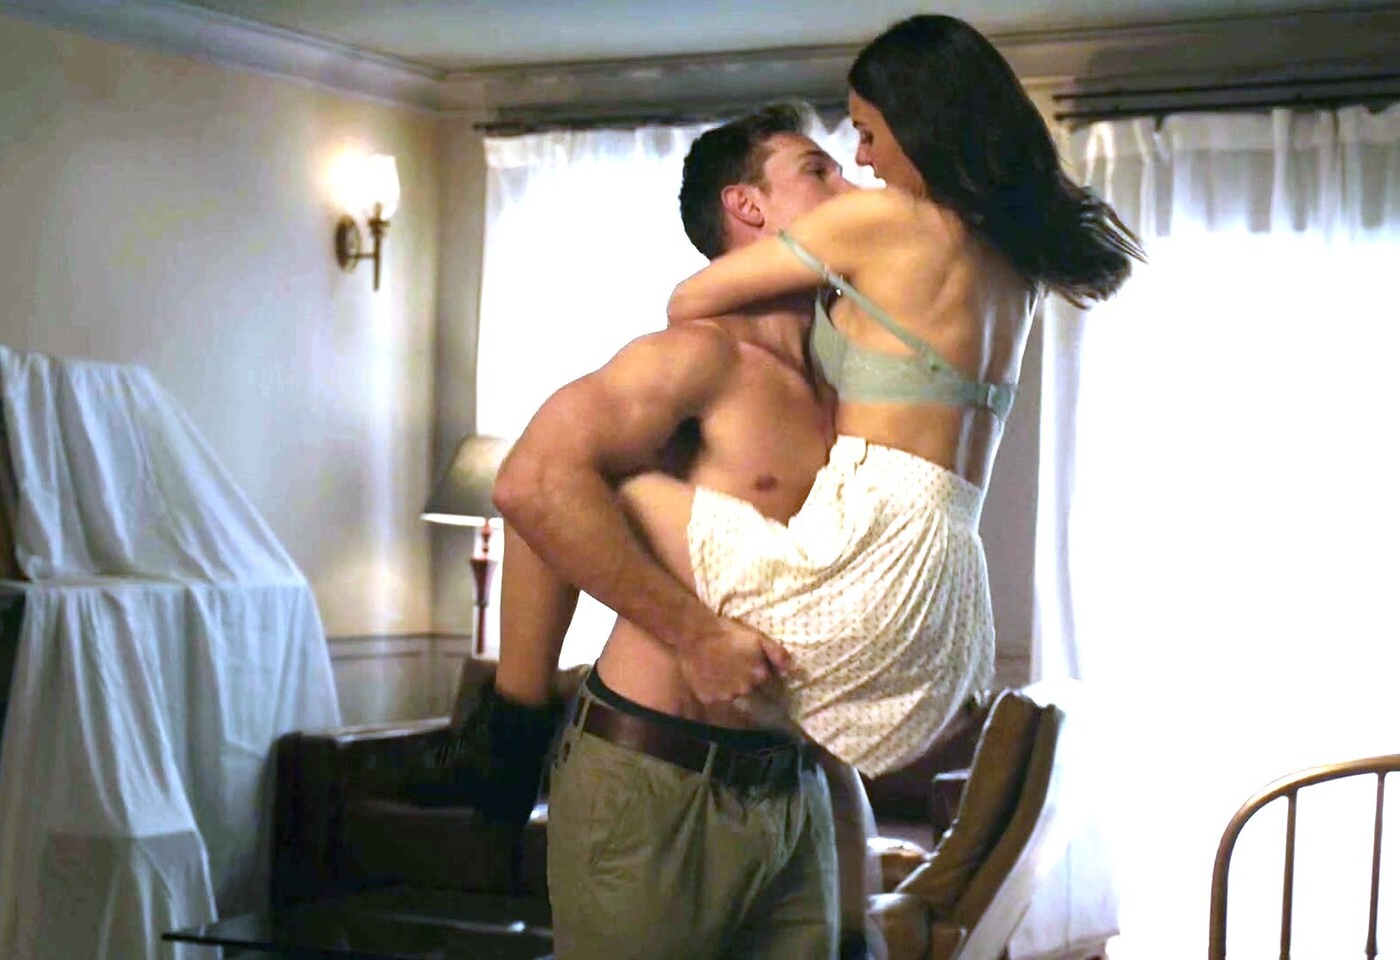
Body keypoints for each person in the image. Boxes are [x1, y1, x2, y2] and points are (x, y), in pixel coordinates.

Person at [496, 13, 1141, 780]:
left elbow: (687, 297)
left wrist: (819, 267)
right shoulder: (1016, 263)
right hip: (948, 604)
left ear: (918, 119)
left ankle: (504, 737)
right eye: (831, 160)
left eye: (866, 134)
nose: (860, 164)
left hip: (866, 567)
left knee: (563, 480)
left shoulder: (881, 222)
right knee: (559, 480)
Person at [470, 103, 878, 959]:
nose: (849, 186)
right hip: (658, 776)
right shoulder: (698, 355)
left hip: (792, 785)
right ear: (747, 206)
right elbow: (532, 482)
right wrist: (694, 636)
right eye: (818, 170)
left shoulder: (847, 381)